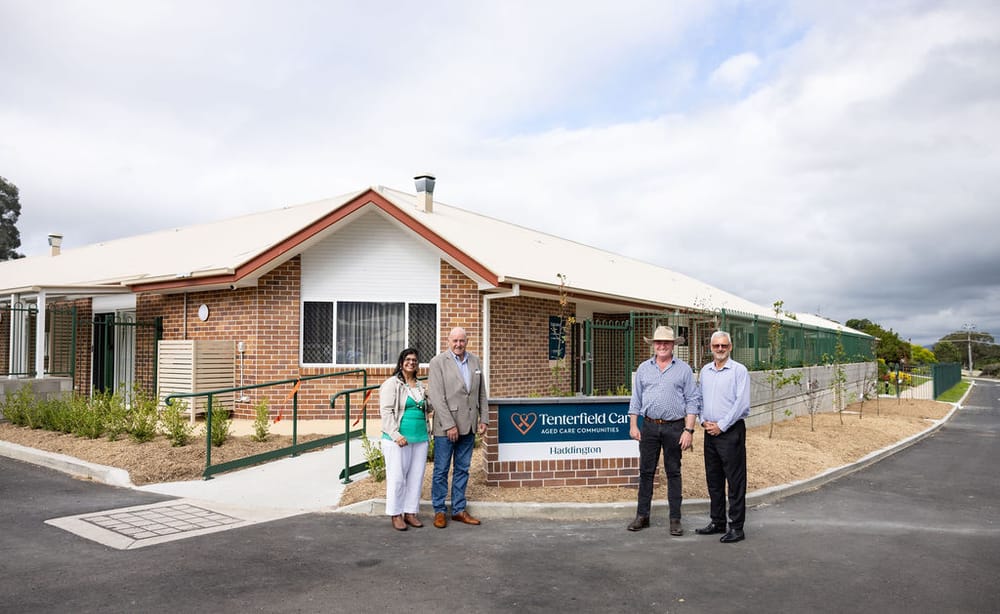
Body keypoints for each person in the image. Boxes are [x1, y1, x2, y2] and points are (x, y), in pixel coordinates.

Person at [627, 325, 699, 535]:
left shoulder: (684, 369)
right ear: (653, 345)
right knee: (646, 472)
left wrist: (689, 430)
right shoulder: (643, 368)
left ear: (673, 345)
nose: (662, 346)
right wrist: (634, 425)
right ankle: (642, 516)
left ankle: (675, 519)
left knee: (673, 472)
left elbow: (693, 401)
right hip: (649, 427)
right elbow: (636, 399)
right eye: (658, 342)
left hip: (675, 427)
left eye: (666, 343)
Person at [427, 327, 488, 529]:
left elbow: (481, 393)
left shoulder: (475, 361)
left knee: (463, 469)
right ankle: (439, 511)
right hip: (447, 428)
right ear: (448, 341)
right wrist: (449, 425)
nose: (458, 344)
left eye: (462, 341)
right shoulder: (437, 363)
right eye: (455, 341)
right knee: (441, 470)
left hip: (469, 425)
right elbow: (436, 397)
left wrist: (484, 418)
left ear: (467, 341)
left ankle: (459, 510)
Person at [696, 330, 751, 543]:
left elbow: (742, 404)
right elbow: (699, 398)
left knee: (735, 481)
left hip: (731, 432)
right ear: (710, 348)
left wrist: (721, 425)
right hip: (709, 432)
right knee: (714, 479)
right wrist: (702, 421)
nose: (720, 349)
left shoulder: (739, 371)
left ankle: (736, 527)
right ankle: (717, 521)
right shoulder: (706, 371)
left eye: (724, 346)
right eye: (716, 346)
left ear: (730, 347)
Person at [379, 348, 430, 531]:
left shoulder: (420, 385)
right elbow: (386, 412)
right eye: (408, 359)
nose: (411, 362)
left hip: (420, 437)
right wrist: (396, 435)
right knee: (397, 478)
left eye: (415, 360)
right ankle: (395, 514)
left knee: (416, 477)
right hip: (398, 439)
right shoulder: (392, 384)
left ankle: (410, 512)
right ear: (401, 363)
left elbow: (426, 407)